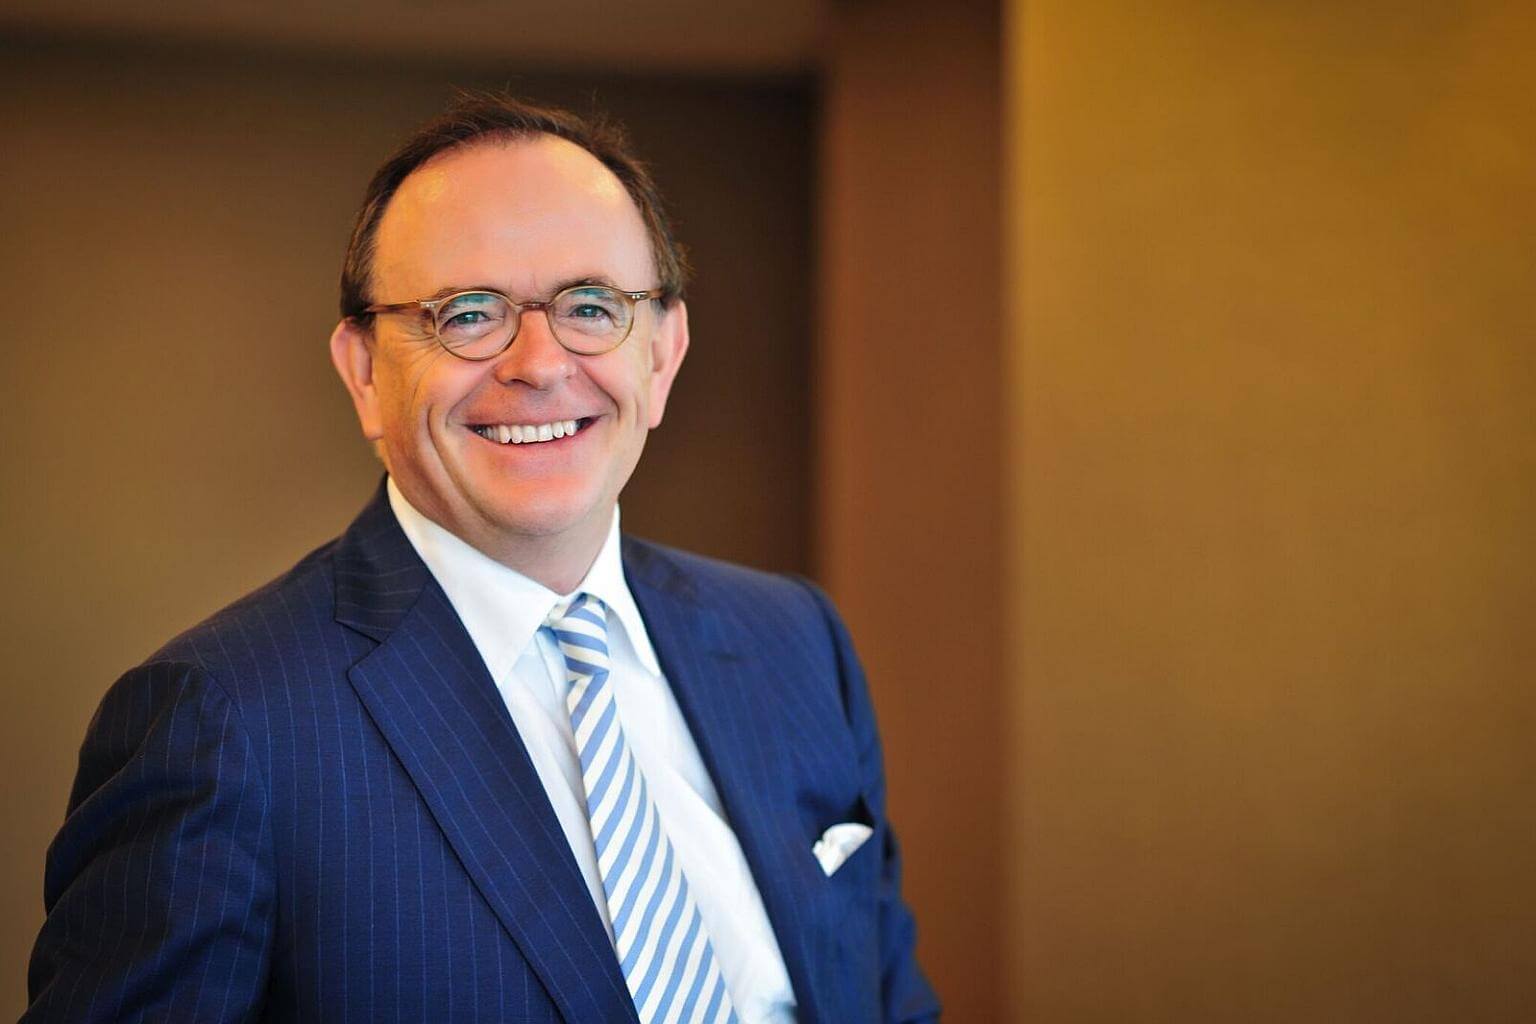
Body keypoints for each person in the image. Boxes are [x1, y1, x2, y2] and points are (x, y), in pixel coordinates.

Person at [24, 93, 939, 1024]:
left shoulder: (795, 643)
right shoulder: (223, 721)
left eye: (592, 306)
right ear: (365, 373)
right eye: (466, 314)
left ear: (663, 355)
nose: (538, 363)